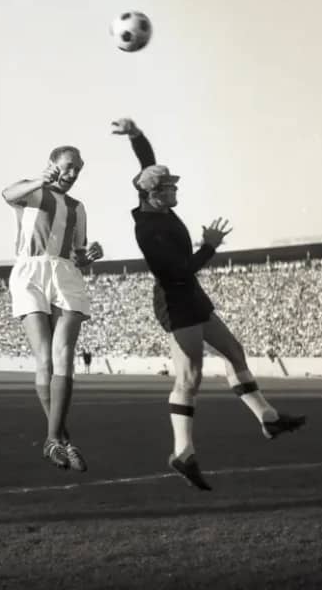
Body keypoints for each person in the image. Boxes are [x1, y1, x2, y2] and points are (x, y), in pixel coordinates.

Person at [111, 117, 305, 491]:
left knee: (234, 352)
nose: (172, 190)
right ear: (152, 194)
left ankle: (268, 417)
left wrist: (136, 135)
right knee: (189, 379)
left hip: (192, 296)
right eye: (166, 187)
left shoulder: (155, 206)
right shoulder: (148, 229)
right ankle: (182, 453)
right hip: (176, 300)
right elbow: (178, 272)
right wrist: (210, 246)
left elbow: (146, 164)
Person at [2, 145, 103, 472]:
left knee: (63, 357)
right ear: (52, 165)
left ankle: (52, 441)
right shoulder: (33, 192)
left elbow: (78, 255)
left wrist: (89, 257)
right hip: (30, 271)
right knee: (44, 357)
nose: (73, 174)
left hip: (64, 274)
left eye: (78, 170)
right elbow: (7, 193)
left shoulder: (78, 208)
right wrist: (38, 180)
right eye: (68, 167)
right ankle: (60, 440)